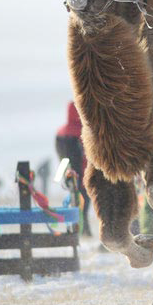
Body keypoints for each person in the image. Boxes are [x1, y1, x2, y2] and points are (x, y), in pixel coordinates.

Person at [55, 101, 91, 236]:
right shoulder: (81, 132)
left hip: (67, 168)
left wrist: (61, 175)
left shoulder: (60, 132)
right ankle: (84, 228)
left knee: (74, 197)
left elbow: (62, 157)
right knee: (84, 199)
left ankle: (80, 228)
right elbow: (84, 157)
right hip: (80, 172)